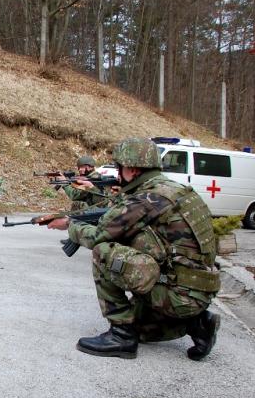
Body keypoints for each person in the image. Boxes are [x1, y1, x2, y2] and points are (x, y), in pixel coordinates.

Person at [45, 137, 221, 360]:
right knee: (140, 328)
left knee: (103, 251)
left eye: (119, 168)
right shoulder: (175, 190)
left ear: (133, 169)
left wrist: (70, 224)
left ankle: (121, 336)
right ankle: (198, 324)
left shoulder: (149, 198)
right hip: (197, 291)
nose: (117, 174)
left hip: (178, 294)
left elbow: (99, 236)